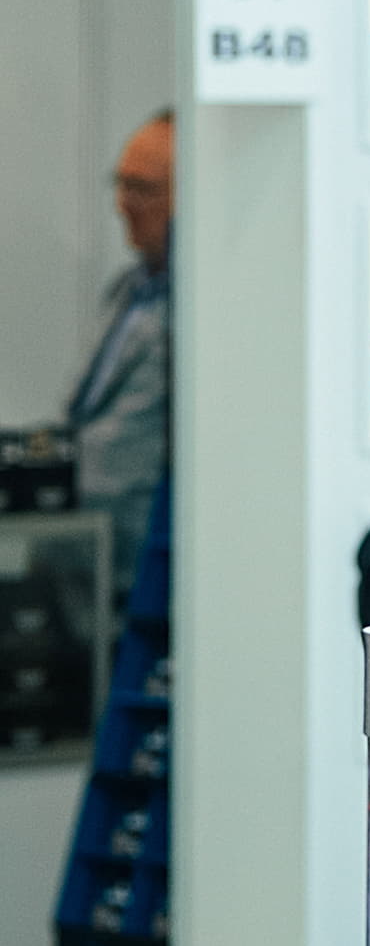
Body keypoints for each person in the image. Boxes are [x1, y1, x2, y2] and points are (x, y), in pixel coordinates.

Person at [70, 110, 173, 599]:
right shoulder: (128, 289)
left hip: (151, 567)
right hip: (87, 556)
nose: (122, 204)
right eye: (121, 183)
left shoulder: (199, 314)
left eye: (142, 189)